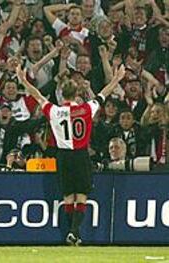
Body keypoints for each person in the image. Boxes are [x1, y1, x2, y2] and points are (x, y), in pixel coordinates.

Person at [16, 64, 126, 246]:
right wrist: (116, 79)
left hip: (64, 156)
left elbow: (37, 95)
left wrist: (23, 79)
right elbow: (103, 94)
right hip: (81, 155)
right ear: (77, 94)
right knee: (81, 195)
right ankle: (74, 232)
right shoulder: (87, 108)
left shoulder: (54, 111)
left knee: (68, 196)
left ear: (61, 93)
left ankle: (71, 233)